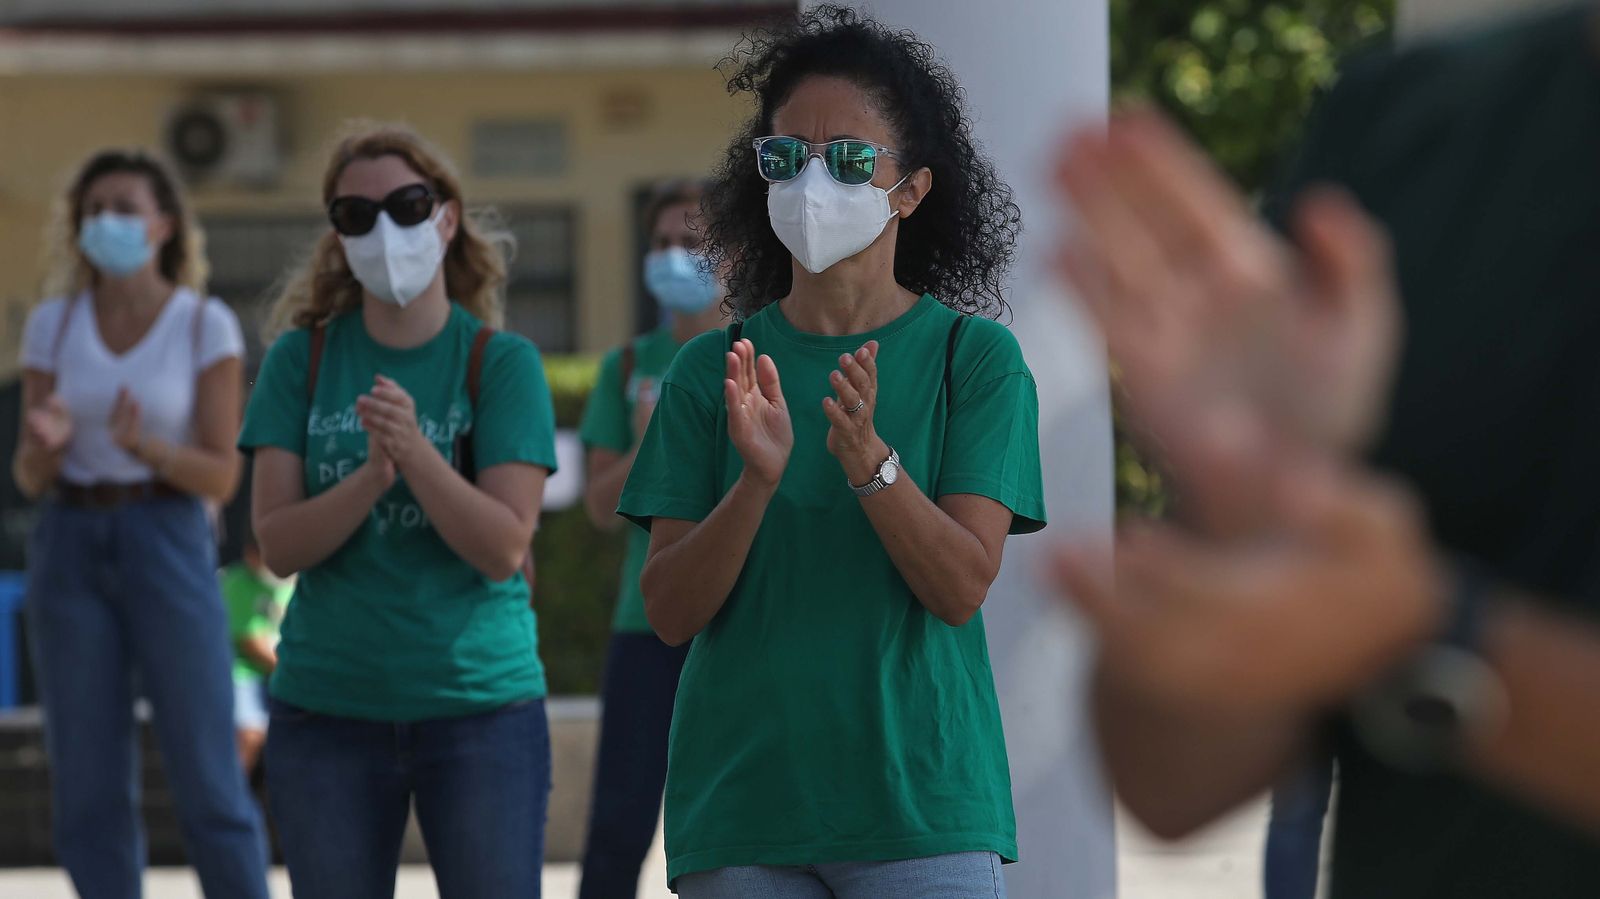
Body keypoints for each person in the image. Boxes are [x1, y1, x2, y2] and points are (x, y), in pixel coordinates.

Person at [1050, 5, 1600, 897]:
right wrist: (1243, 506)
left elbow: (1398, 625)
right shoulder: (1408, 126)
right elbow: (1169, 786)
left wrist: (1439, 641)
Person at [618, 7, 1045, 897]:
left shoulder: (977, 359)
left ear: (912, 190)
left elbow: (962, 584)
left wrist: (870, 464)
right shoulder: (711, 369)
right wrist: (754, 484)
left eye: (852, 160)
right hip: (743, 812)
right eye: (787, 158)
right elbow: (668, 608)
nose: (816, 184)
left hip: (920, 806)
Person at [240, 123, 558, 899]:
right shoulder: (301, 358)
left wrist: (416, 454)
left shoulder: (500, 362)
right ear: (337, 235)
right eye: (356, 214)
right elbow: (277, 543)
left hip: (481, 709)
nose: (384, 229)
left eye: (408, 205)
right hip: (327, 711)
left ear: (447, 219)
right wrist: (370, 478)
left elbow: (502, 544)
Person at [10, 149, 270, 898]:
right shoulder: (54, 326)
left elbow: (223, 474)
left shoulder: (202, 324)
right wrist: (44, 448)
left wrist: (146, 448)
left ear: (163, 224)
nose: (106, 223)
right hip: (71, 537)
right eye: (93, 210)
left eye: (124, 208)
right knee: (87, 779)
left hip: (167, 534)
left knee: (206, 771)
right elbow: (28, 475)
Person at [577, 178, 728, 899]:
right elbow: (601, 507)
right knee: (618, 828)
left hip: (741, 622)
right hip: (646, 627)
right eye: (663, 243)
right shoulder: (628, 367)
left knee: (746, 829)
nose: (675, 256)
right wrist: (650, 440)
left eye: (692, 242)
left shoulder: (764, 352)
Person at [219, 522, 292, 774]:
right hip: (243, 675)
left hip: (282, 675)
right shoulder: (235, 582)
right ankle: (234, 798)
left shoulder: (299, 581)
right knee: (249, 733)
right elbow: (251, 643)